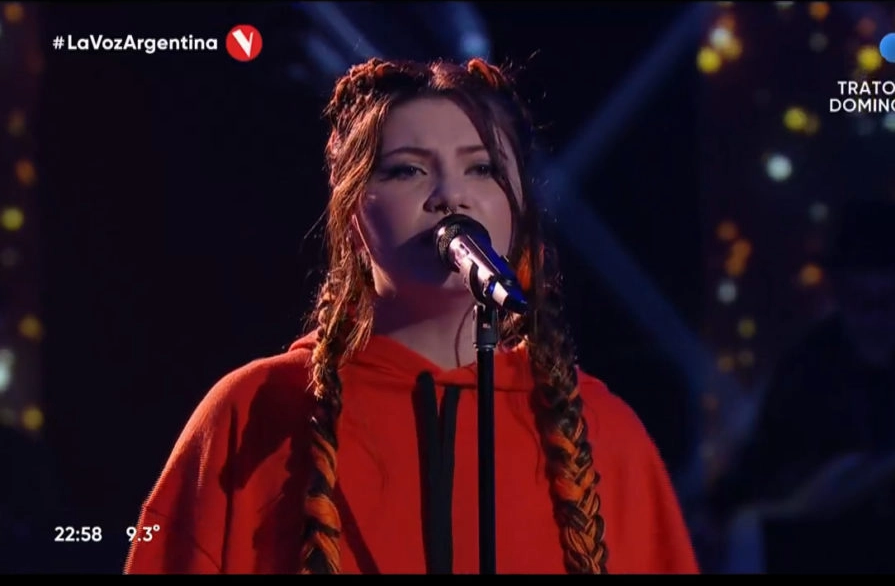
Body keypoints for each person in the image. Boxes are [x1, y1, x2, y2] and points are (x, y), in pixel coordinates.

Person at [123, 57, 700, 575]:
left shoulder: (603, 431)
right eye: (407, 170)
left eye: (482, 169)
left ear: (519, 205)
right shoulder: (256, 411)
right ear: (352, 210)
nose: (451, 195)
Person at [706, 199, 895, 573]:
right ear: (838, 293)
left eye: (892, 300)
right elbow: (758, 467)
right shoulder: (807, 367)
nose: (875, 317)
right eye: (859, 300)